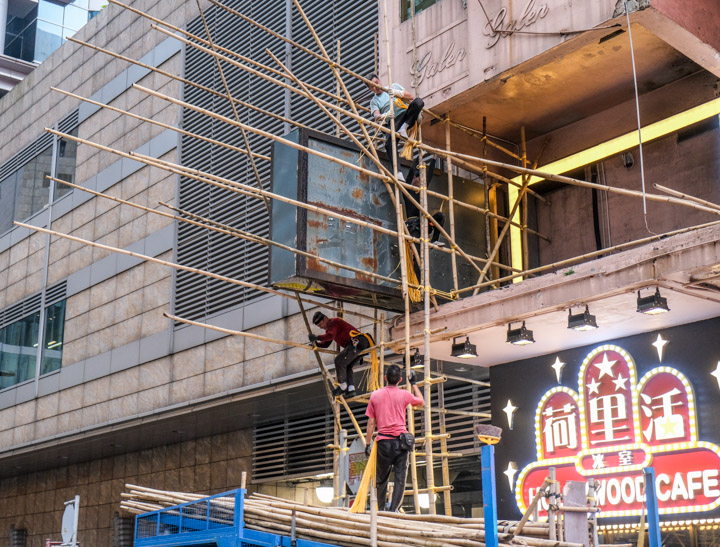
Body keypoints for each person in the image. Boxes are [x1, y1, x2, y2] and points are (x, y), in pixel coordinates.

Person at [364, 364, 424, 512]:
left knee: (381, 479)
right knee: (400, 479)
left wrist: (367, 443)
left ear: (385, 378)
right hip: (401, 443)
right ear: (400, 380)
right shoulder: (404, 394)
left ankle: (380, 509)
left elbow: (371, 422)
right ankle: (394, 510)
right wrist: (414, 384)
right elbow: (421, 402)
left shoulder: (375, 395)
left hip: (383, 442)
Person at [309, 311, 371, 398]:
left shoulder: (335, 322)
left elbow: (330, 336)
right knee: (347, 366)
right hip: (356, 345)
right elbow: (326, 343)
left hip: (357, 341)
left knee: (339, 361)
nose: (321, 328)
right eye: (319, 327)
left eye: (321, 325)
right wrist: (317, 344)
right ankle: (351, 389)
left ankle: (343, 386)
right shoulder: (329, 330)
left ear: (325, 318)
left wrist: (317, 337)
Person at [367, 75, 424, 162]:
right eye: (373, 86)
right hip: (394, 120)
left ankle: (404, 127)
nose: (376, 87)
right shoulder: (374, 101)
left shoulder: (393, 86)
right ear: (370, 89)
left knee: (419, 102)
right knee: (389, 144)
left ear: (379, 80)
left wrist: (397, 92)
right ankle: (398, 173)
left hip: (406, 115)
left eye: (376, 83)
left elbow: (411, 97)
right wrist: (384, 115)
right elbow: (376, 116)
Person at [402, 155, 445, 244]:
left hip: (423, 222)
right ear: (415, 178)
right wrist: (418, 156)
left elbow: (429, 176)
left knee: (440, 216)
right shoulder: (407, 191)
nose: (422, 180)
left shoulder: (422, 191)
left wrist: (434, 159)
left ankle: (434, 240)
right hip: (413, 223)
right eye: (420, 178)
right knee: (418, 248)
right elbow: (411, 172)